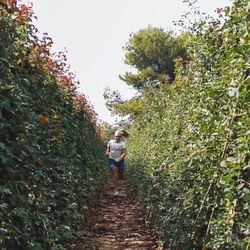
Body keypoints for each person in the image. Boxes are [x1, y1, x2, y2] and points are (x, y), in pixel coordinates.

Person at [106, 129, 129, 196]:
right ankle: (116, 190)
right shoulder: (110, 142)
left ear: (121, 137)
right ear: (114, 136)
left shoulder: (122, 144)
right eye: (116, 136)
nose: (117, 138)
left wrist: (119, 159)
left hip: (120, 160)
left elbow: (124, 153)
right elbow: (107, 150)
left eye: (118, 136)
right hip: (112, 160)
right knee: (115, 175)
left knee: (121, 176)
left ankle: (118, 185)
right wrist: (107, 152)